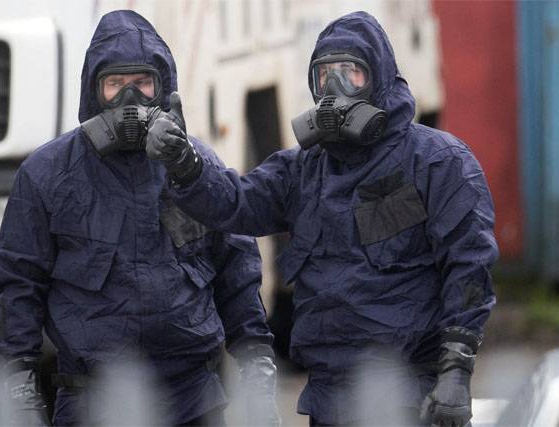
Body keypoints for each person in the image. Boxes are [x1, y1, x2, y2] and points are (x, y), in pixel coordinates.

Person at [146, 11, 498, 427]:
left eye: (351, 74)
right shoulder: (303, 170)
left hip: (406, 395)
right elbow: (236, 205)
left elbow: (469, 265)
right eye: (325, 76)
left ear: (379, 78)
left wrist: (456, 370)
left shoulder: (438, 163)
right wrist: (187, 164)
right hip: (329, 397)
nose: (335, 89)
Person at [0, 10, 279, 427]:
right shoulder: (47, 175)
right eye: (115, 85)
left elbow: (236, 272)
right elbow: (19, 283)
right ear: (94, 92)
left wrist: (257, 368)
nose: (130, 100)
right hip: (92, 402)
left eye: (142, 84)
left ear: (164, 90)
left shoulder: (196, 169)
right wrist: (19, 384)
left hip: (192, 401)